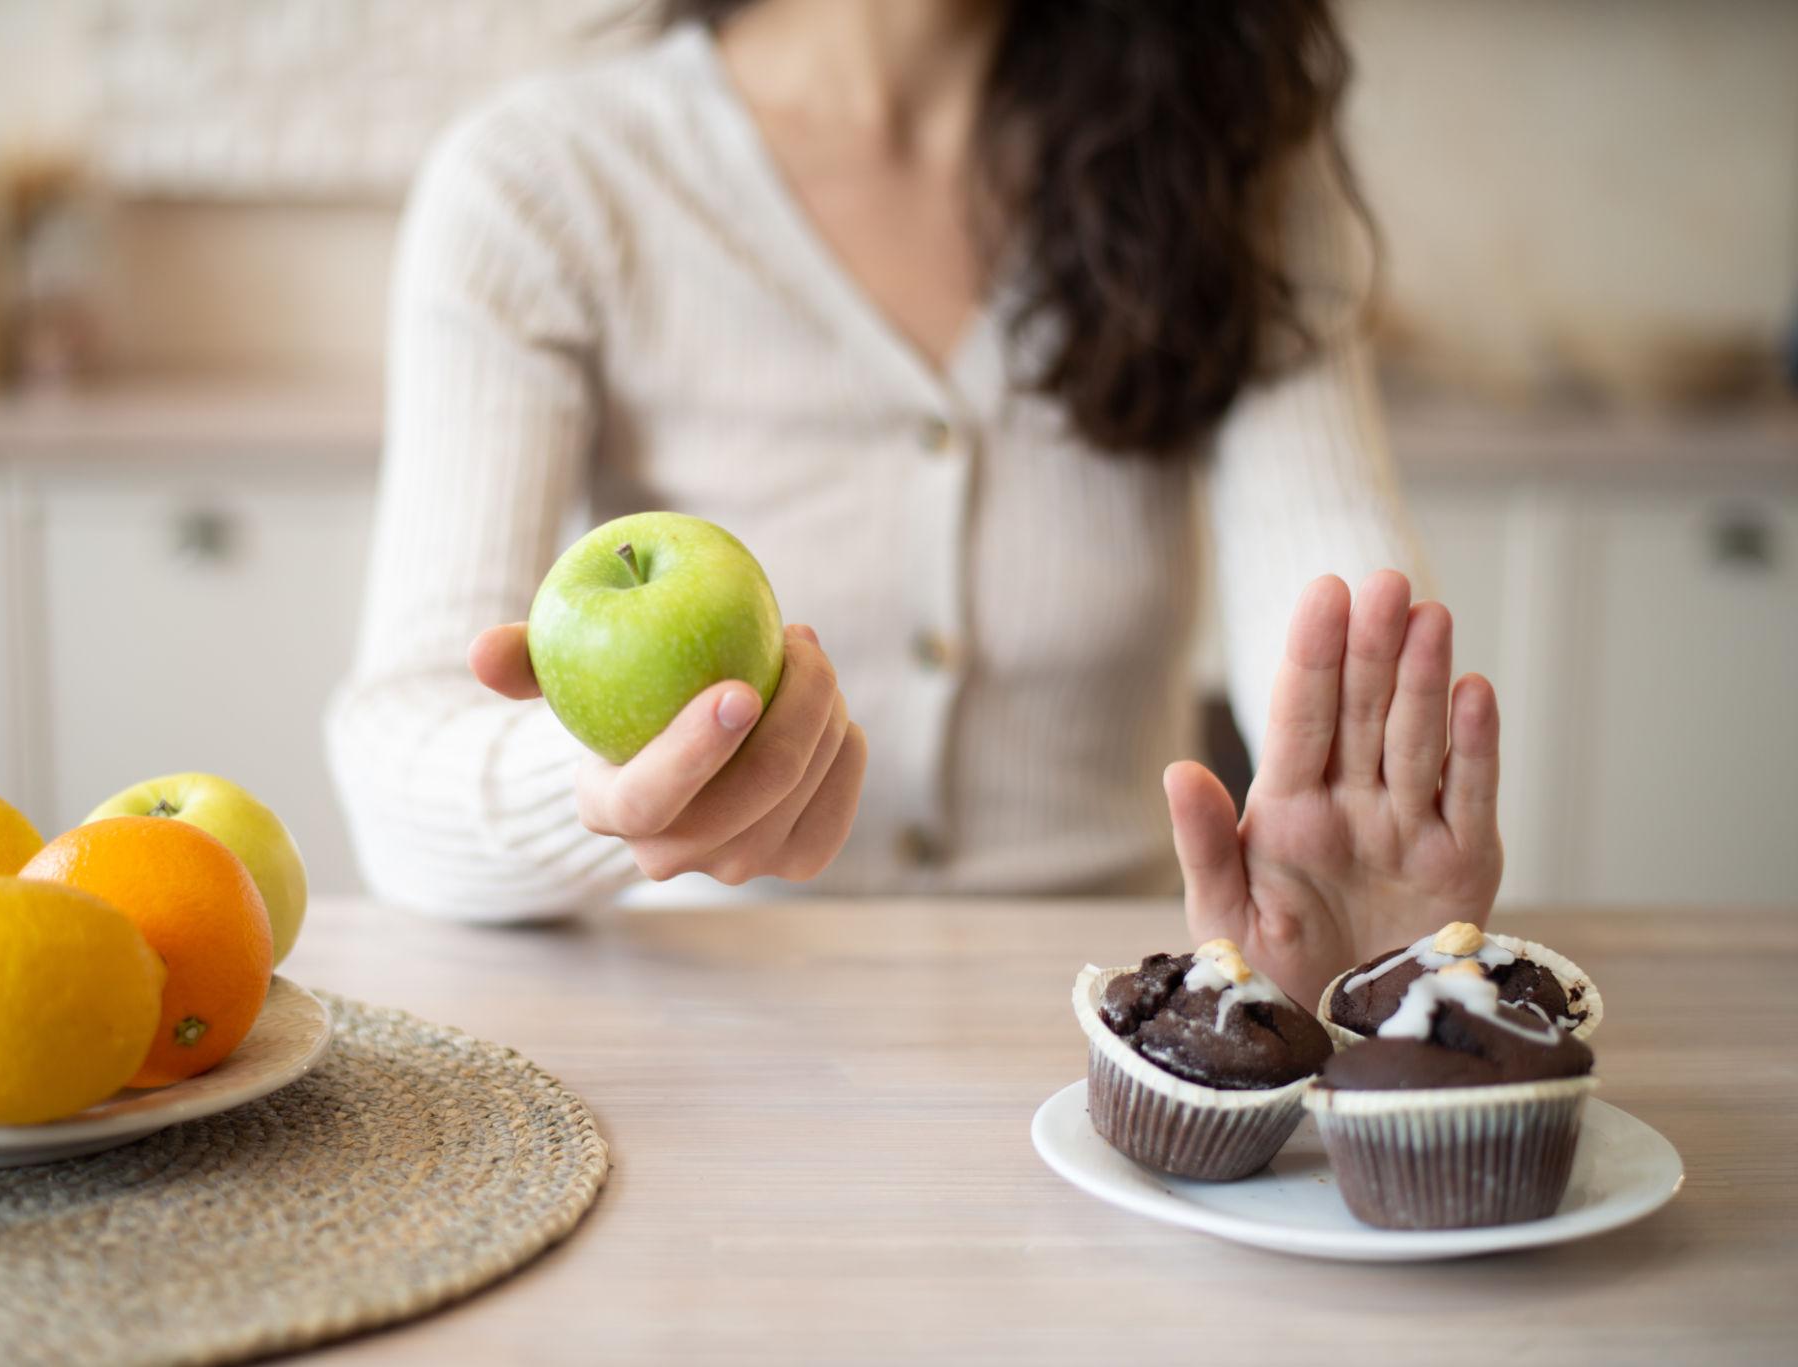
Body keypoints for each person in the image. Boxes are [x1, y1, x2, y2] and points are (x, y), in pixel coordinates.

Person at [326, 0, 1503, 1007]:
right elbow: (399, 776)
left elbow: (1343, 627)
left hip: (1124, 1035)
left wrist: (1364, 846)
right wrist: (610, 789)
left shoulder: (1227, 165)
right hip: (710, 1039)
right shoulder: (542, 183)